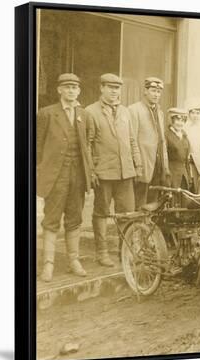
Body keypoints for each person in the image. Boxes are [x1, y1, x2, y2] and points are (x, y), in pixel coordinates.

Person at [36, 73, 93, 282]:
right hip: (55, 176)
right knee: (51, 220)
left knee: (74, 218)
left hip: (77, 176)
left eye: (74, 87)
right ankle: (48, 264)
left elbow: (86, 145)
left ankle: (73, 260)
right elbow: (36, 148)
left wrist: (88, 174)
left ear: (79, 91)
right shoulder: (46, 114)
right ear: (59, 90)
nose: (71, 90)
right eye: (67, 87)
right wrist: (42, 172)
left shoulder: (84, 115)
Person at [86, 73, 142, 268]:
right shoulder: (90, 112)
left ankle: (125, 251)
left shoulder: (126, 112)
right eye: (110, 87)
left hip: (126, 171)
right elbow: (88, 144)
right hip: (103, 171)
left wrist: (138, 164)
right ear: (101, 88)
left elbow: (132, 140)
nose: (113, 91)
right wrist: (91, 171)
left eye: (117, 88)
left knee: (127, 213)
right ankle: (101, 253)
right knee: (101, 212)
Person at [128, 77, 169, 209]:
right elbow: (131, 139)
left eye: (158, 91)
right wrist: (137, 165)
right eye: (153, 90)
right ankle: (137, 229)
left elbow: (162, 141)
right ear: (145, 91)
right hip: (143, 165)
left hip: (157, 166)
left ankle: (149, 228)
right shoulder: (134, 110)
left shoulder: (160, 113)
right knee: (139, 203)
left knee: (154, 204)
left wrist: (165, 166)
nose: (156, 94)